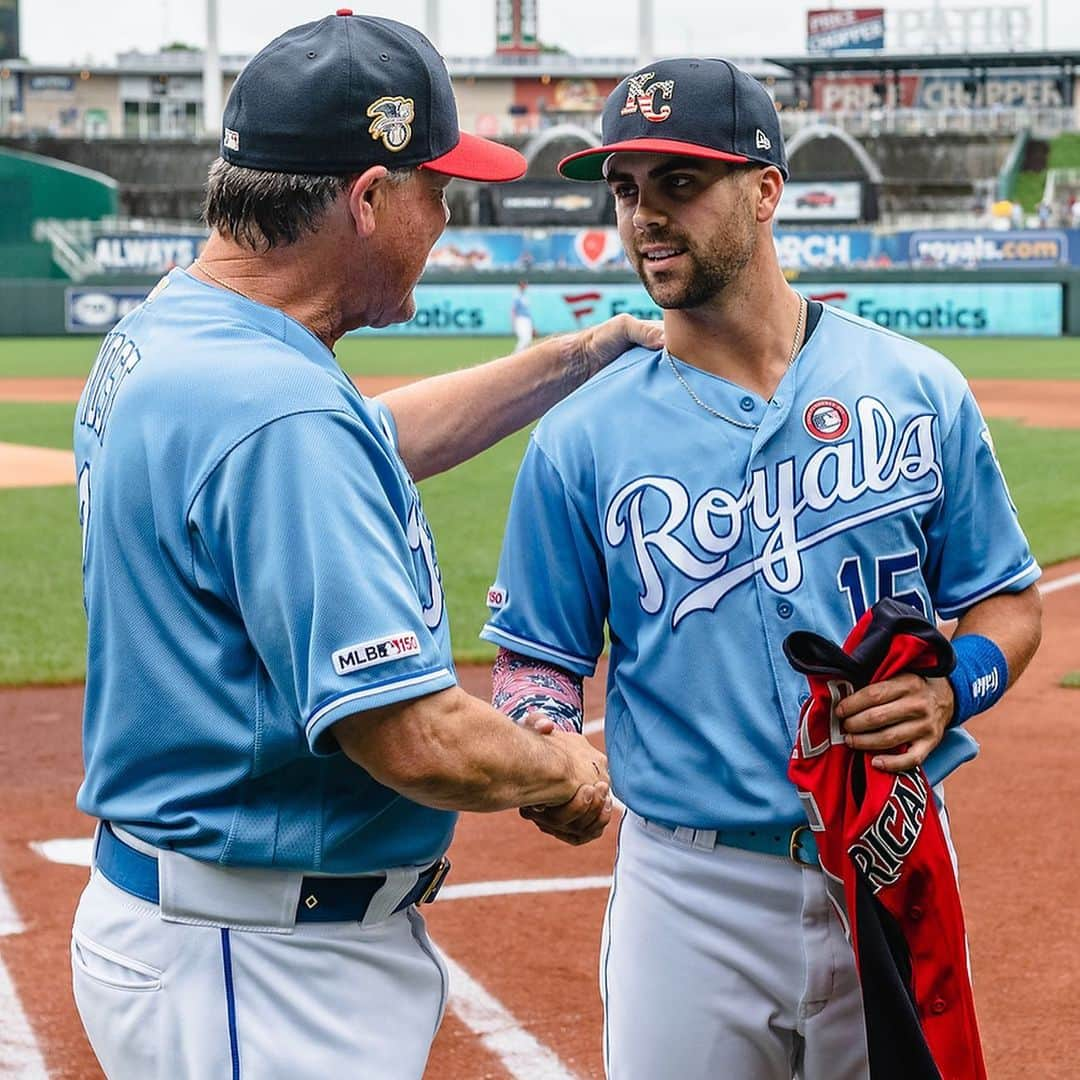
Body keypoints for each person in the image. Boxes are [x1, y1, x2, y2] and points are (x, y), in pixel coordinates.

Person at [70, 13, 661, 1079]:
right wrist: (554, 767)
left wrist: (584, 353)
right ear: (367, 197)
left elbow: (367, 441)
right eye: (438, 190)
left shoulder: (186, 328)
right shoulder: (275, 411)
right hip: (261, 966)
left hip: (206, 926)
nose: (446, 217)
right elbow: (415, 740)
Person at [482, 58, 1042, 1079]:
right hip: (688, 893)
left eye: (679, 184)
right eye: (626, 189)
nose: (645, 216)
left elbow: (1006, 602)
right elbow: (535, 657)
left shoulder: (916, 388)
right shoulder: (582, 439)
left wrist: (953, 689)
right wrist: (544, 734)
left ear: (766, 190)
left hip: (889, 846)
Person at [511, 279, 534, 351]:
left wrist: (532, 324)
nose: (524, 286)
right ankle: (515, 357)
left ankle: (523, 358)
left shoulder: (525, 296)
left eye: (525, 284)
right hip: (520, 319)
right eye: (523, 284)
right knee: (524, 339)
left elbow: (528, 311)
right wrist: (513, 322)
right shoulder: (517, 296)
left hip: (527, 319)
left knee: (528, 339)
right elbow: (513, 310)